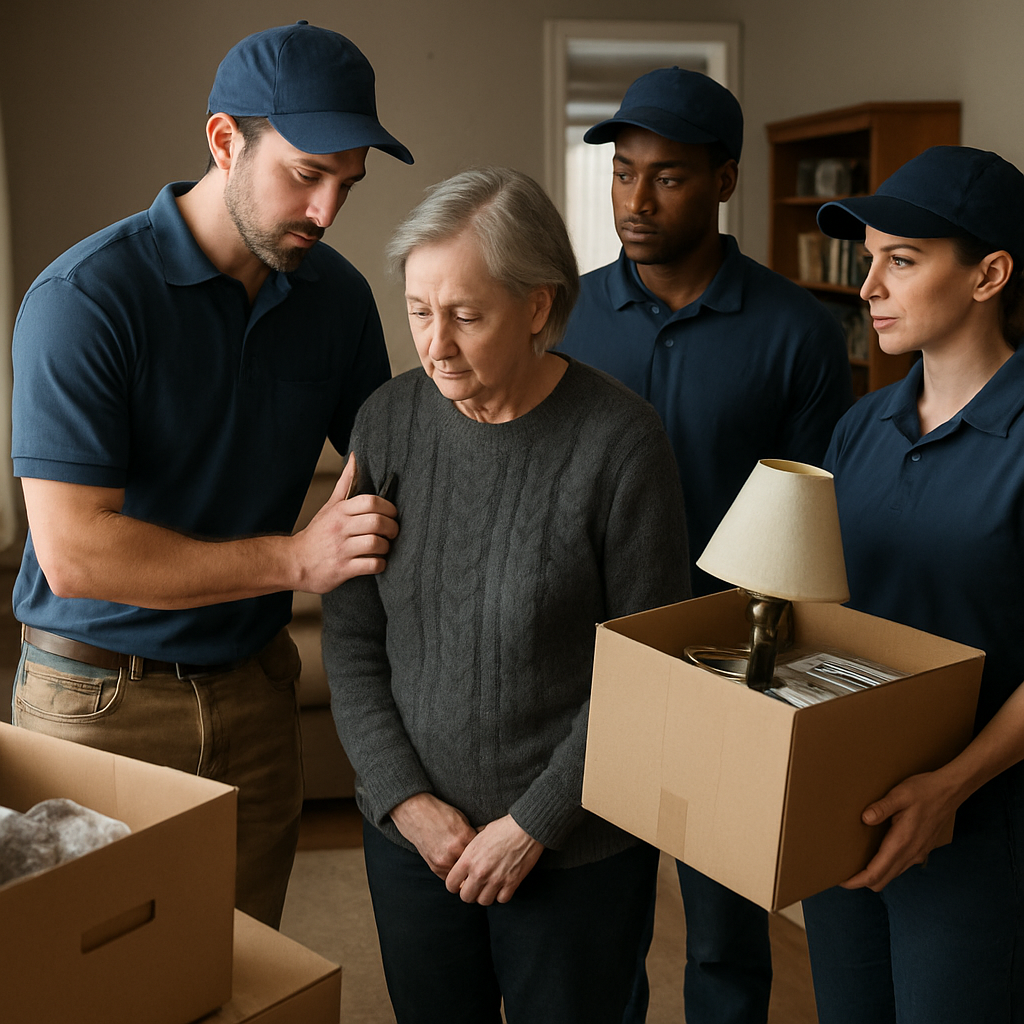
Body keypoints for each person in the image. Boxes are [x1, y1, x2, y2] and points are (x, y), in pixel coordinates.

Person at [8, 22, 412, 929]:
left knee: (238, 967)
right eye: (306, 174)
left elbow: (398, 470)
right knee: (94, 977)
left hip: (254, 691)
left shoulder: (337, 299)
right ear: (225, 141)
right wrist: (294, 563)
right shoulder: (82, 303)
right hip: (100, 701)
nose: (326, 212)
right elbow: (74, 554)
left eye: (346, 183)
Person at [321, 167, 691, 1024]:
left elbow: (647, 674)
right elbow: (351, 639)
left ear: (537, 306)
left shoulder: (622, 444)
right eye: (418, 310)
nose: (436, 343)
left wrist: (531, 825)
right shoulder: (387, 421)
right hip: (415, 847)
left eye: (466, 314)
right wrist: (409, 805)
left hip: (575, 855)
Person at [558, 67, 854, 1024]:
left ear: (726, 180)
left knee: (727, 938)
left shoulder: (799, 332)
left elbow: (817, 517)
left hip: (727, 667)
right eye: (623, 172)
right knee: (593, 927)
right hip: (583, 657)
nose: (635, 201)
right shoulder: (564, 315)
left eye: (669, 177)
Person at [801, 145, 1024, 1023]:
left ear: (990, 274)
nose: (868, 289)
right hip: (844, 808)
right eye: (868, 262)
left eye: (902, 260)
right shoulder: (861, 424)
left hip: (978, 825)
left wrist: (951, 786)